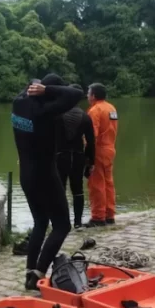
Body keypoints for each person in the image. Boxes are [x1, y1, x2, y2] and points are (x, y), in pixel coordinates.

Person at [12, 74, 84, 290]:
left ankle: (29, 274)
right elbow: (76, 94)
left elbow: (33, 87)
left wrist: (40, 86)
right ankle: (38, 273)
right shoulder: (45, 111)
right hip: (45, 173)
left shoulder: (18, 103)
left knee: (41, 222)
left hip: (26, 173)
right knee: (62, 225)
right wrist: (48, 91)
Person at [56, 84, 95, 229]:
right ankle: (77, 222)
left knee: (60, 189)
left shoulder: (58, 114)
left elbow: (50, 138)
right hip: (78, 157)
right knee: (77, 190)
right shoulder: (85, 117)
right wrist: (91, 161)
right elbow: (91, 142)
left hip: (60, 157)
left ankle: (61, 221)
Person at [85, 83, 118, 227]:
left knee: (96, 183)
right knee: (108, 182)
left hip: (98, 150)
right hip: (110, 148)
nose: (87, 96)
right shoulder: (111, 108)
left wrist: (87, 155)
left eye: (88, 93)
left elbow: (92, 136)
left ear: (93, 95)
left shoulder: (95, 110)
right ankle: (109, 214)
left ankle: (98, 217)